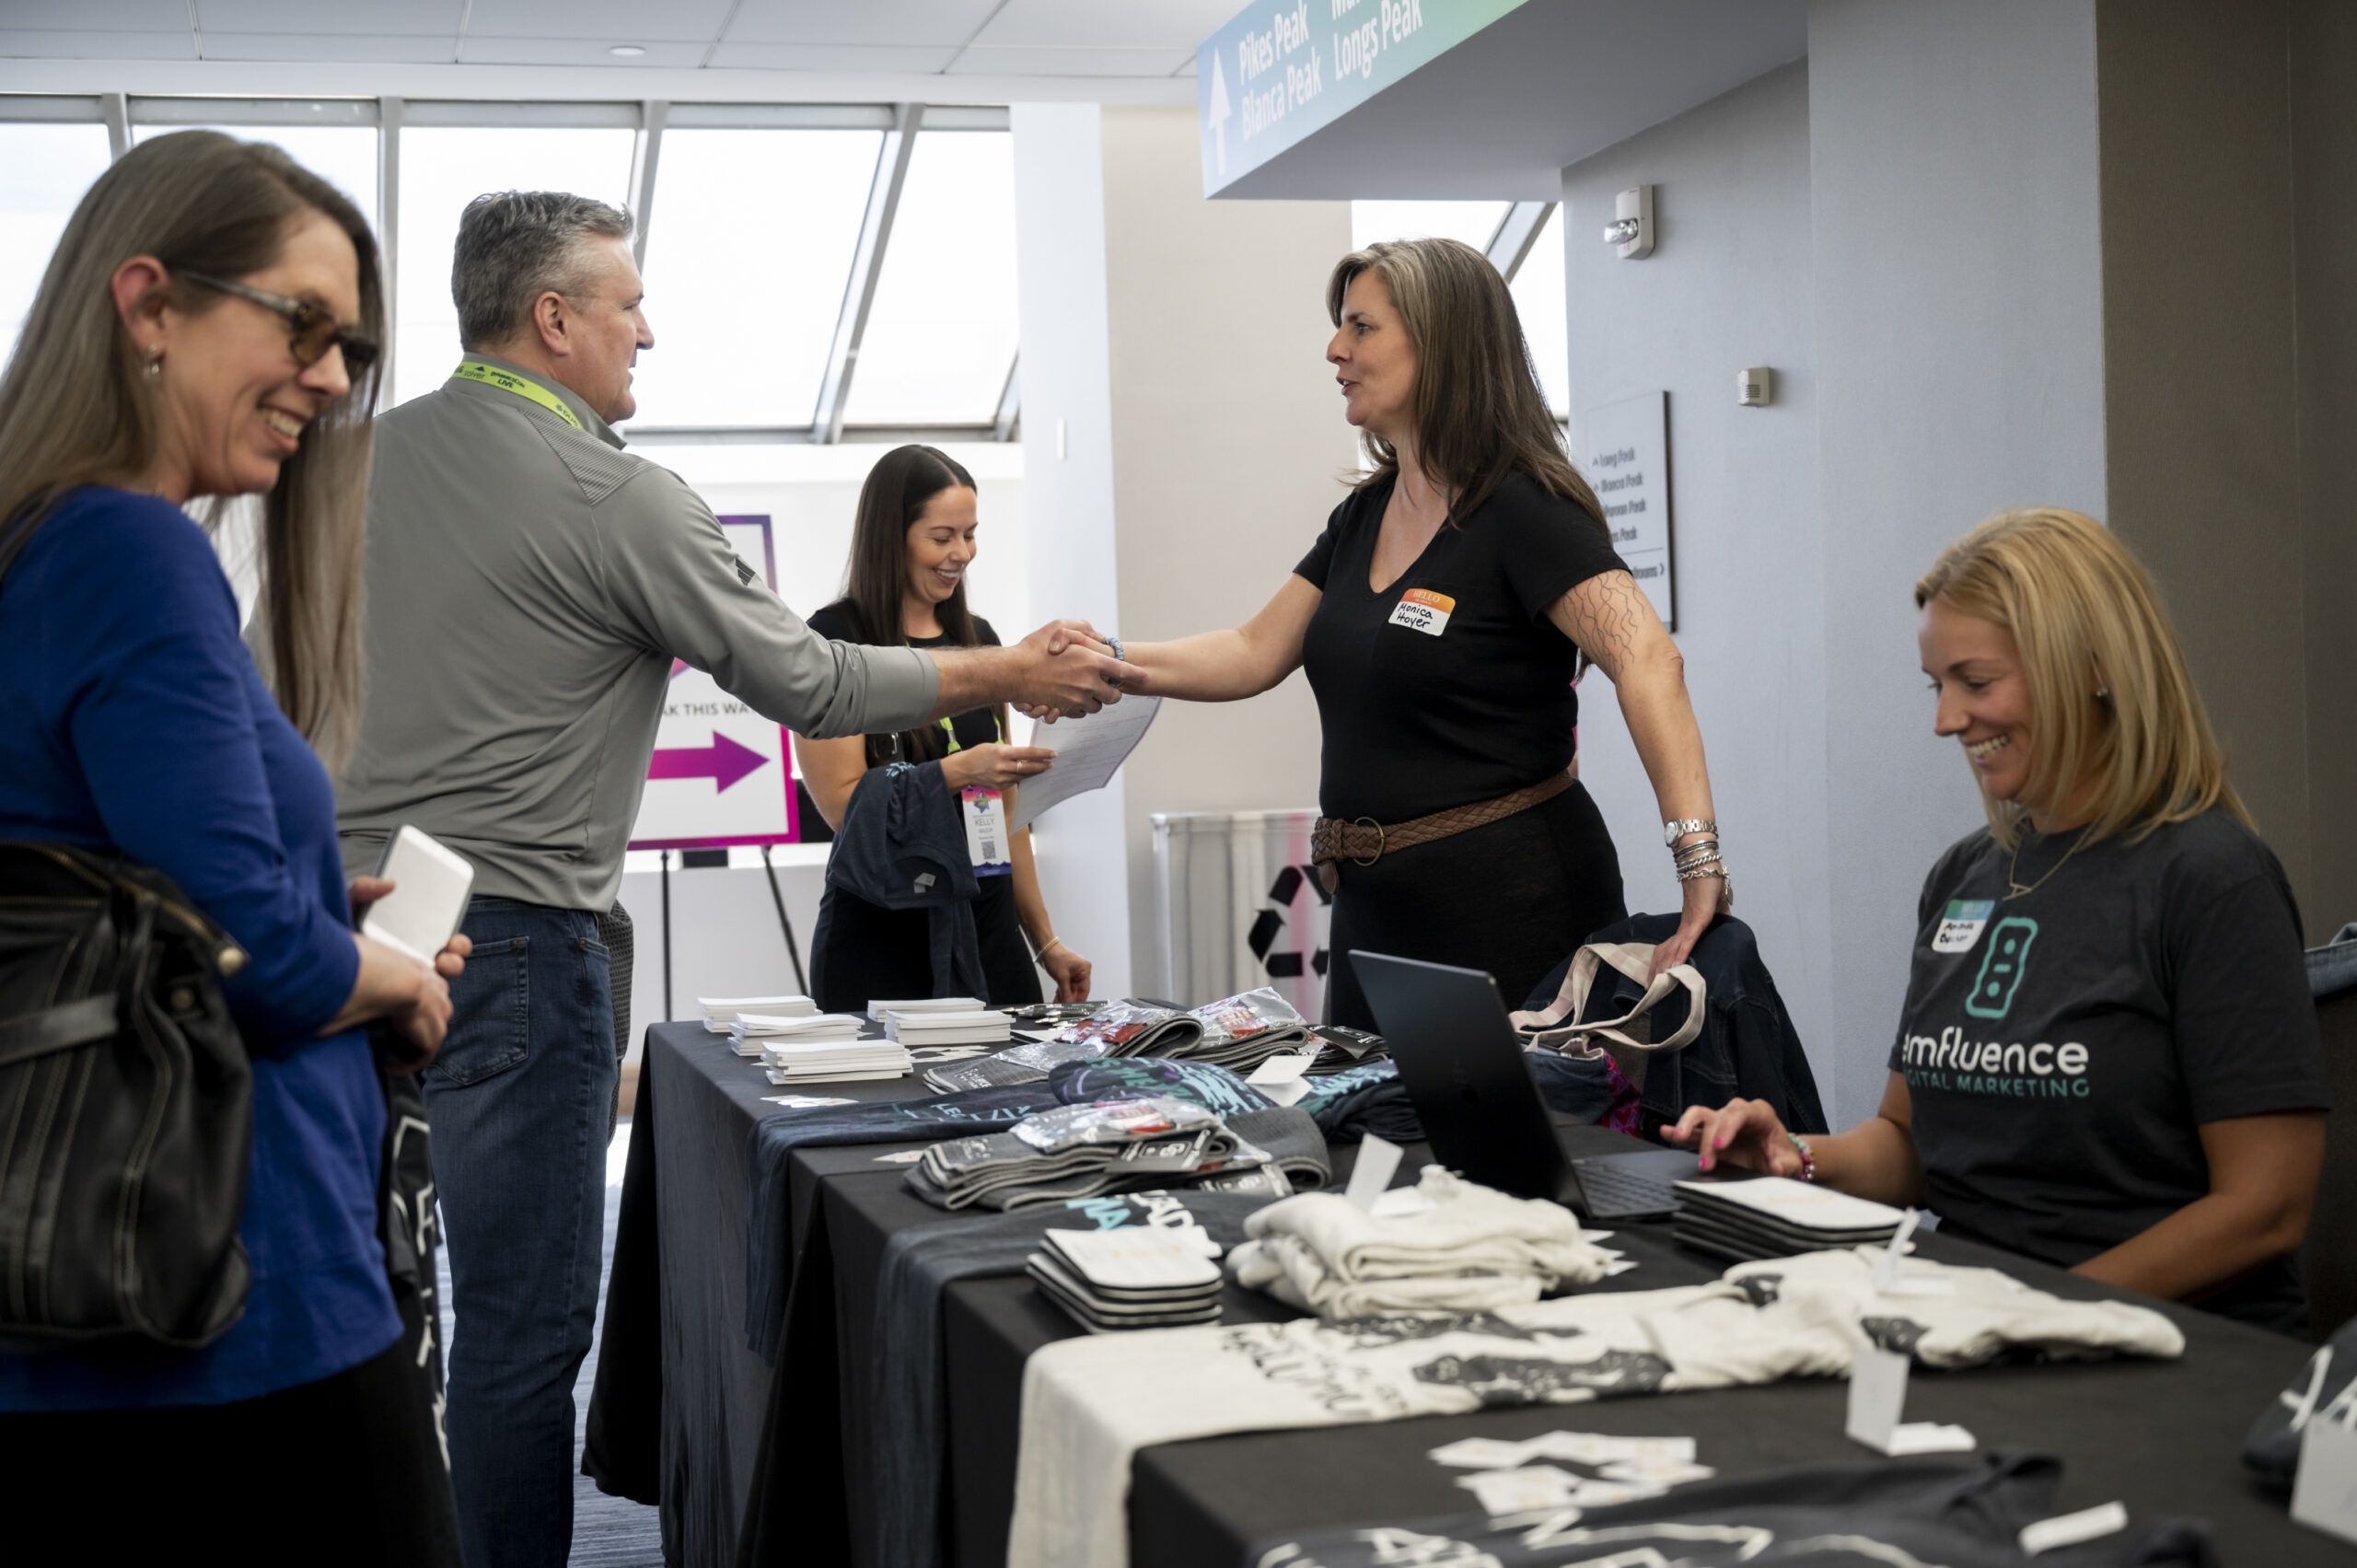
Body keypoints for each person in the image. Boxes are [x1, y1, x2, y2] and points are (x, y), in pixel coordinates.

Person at [333, 191, 1133, 1568]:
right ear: (554, 319)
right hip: (517, 942)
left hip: (352, 934)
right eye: (629, 303)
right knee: (520, 1340)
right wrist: (1009, 671)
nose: (647, 331)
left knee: (381, 1318)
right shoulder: (615, 491)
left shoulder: (349, 467)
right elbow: (806, 680)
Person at [0, 131, 469, 1561]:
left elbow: (128, 893)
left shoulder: (41, 546)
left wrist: (322, 905)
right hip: (239, 1292)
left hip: (121, 1288)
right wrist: (392, 976)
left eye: (350, 346)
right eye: (304, 323)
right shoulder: (127, 550)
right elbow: (252, 955)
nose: (331, 377)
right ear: (150, 304)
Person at [1667, 508, 2328, 1332]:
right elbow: (1909, 1146)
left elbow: (2266, 1209)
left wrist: (2028, 1313)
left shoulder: (2212, 880)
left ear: (2094, 667)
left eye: (1975, 683)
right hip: (1978, 1319)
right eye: (1936, 685)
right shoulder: (1964, 875)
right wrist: (1793, 1154)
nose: (1946, 719)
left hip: (2159, 1346)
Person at [1114, 238, 1729, 1029]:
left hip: (1512, 910)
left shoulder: (1524, 509)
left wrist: (1697, 859)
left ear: (1440, 345)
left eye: (1362, 327)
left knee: (1505, 1116)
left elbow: (1649, 656)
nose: (1335, 350)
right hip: (1374, 914)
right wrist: (1110, 663)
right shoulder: (1363, 515)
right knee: (1366, 1110)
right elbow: (1252, 650)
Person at [798, 446, 1092, 1011]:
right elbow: (841, 808)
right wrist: (956, 773)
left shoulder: (981, 640)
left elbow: (1007, 816)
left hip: (989, 935)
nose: (962, 553)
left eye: (970, 534)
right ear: (891, 538)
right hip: (881, 939)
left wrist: (1046, 942)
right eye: (942, 537)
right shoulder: (833, 642)